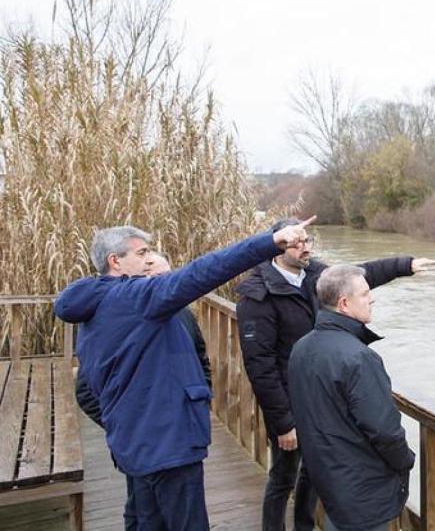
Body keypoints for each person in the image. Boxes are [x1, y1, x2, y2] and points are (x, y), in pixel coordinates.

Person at [56, 218, 315, 531]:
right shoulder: (136, 298)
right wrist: (270, 241)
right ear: (116, 261)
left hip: (134, 441)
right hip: (167, 445)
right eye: (141, 253)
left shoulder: (95, 306)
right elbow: (206, 270)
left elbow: (93, 382)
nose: (149, 258)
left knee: (144, 520)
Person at [236, 218, 435, 531]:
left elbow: (359, 275)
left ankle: (305, 525)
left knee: (315, 473)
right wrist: (283, 421)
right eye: (297, 242)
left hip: (325, 392)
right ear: (277, 246)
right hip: (294, 403)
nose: (305, 247)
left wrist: (405, 264)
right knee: (283, 477)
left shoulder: (316, 276)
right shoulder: (257, 294)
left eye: (308, 241)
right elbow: (260, 364)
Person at [73, 252, 211, 531]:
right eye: (159, 278)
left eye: (171, 277)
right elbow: (86, 391)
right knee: (141, 514)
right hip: (140, 442)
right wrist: (125, 420)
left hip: (180, 439)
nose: (168, 285)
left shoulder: (183, 314)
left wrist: (198, 403)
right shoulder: (119, 319)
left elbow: (200, 359)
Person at [288, 265, 414, 531]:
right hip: (362, 486)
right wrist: (406, 461)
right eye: (366, 293)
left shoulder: (301, 347)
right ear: (344, 304)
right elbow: (384, 429)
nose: (372, 298)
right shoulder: (358, 357)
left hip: (328, 476)